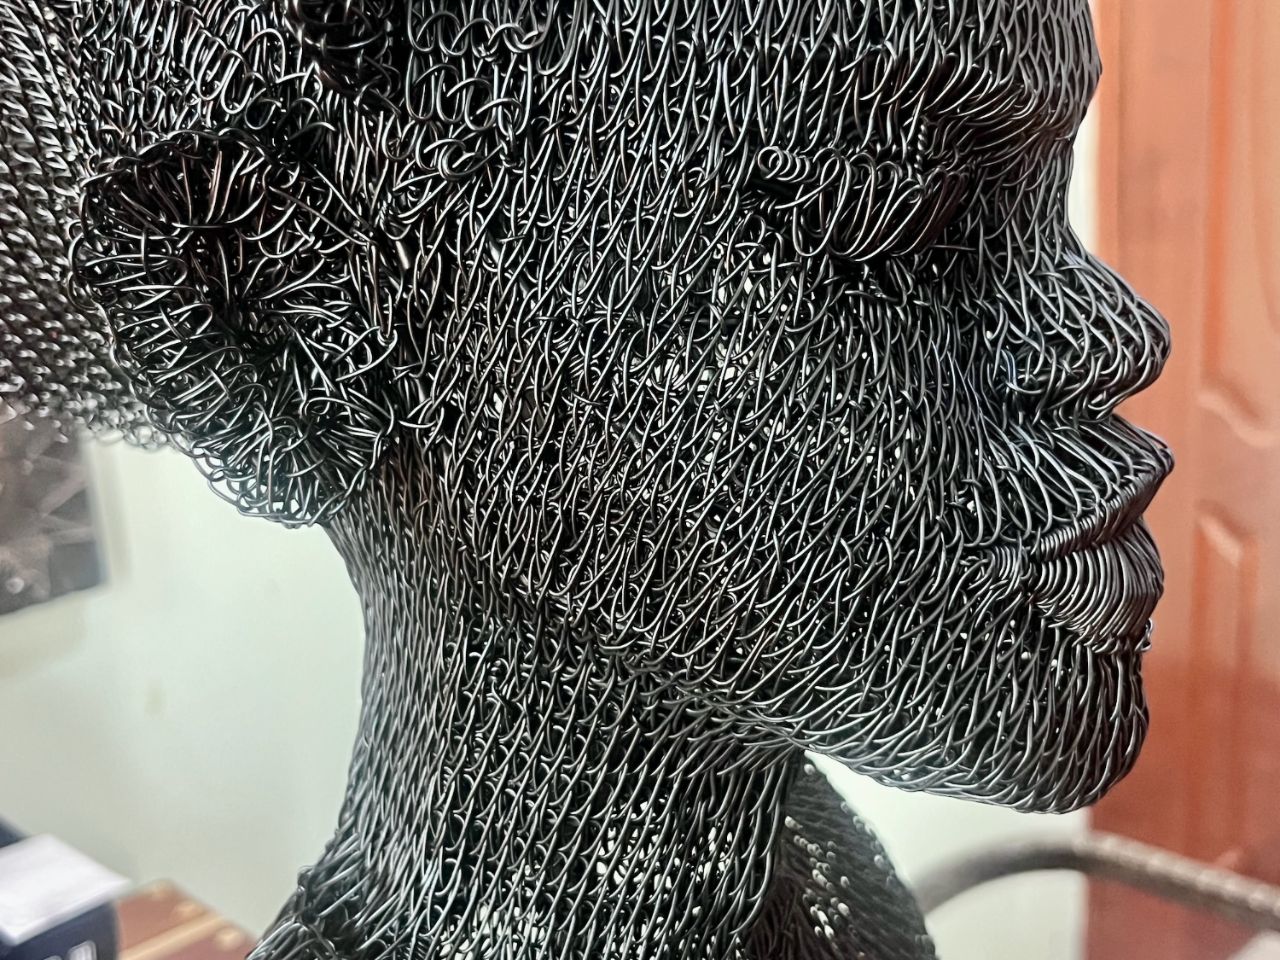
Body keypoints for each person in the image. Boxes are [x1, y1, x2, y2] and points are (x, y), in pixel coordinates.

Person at [0, 1, 1171, 956]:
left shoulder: (821, 895)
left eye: (1045, 199)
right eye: (884, 204)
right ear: (291, 301)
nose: (1117, 337)